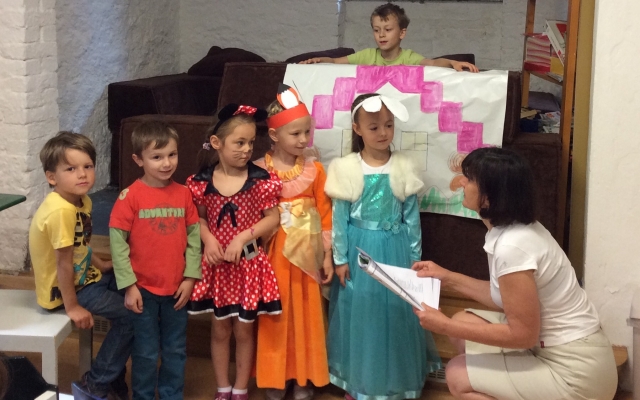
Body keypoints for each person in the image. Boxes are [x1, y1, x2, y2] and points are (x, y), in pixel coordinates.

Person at [412, 147, 618, 400]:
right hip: (551, 347)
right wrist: (447, 277)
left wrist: (443, 325)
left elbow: (522, 335)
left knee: (456, 374)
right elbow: (505, 297)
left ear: (489, 197)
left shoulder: (513, 247)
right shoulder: (513, 230)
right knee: (464, 323)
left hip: (576, 371)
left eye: (470, 179)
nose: (461, 182)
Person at [324, 93, 442, 400]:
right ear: (357, 129)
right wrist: (340, 258)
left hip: (396, 251)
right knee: (361, 313)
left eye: (389, 125)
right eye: (374, 127)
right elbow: (339, 219)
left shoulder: (403, 166)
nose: (383, 133)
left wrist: (415, 258)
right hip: (359, 251)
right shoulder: (346, 168)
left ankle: (395, 381)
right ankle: (359, 381)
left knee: (395, 312)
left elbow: (412, 219)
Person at [186, 104, 283, 400]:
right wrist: (208, 239)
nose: (247, 149)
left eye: (251, 142)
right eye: (239, 143)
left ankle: (240, 388)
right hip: (218, 266)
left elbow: (272, 218)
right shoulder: (202, 182)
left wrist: (243, 237)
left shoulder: (260, 180)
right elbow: (199, 218)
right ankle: (222, 387)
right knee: (219, 330)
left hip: (248, 265)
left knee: (244, 330)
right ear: (217, 143)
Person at [29, 131, 132, 400]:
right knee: (132, 317)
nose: (82, 174)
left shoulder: (81, 200)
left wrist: (101, 264)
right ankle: (95, 383)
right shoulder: (60, 211)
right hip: (67, 291)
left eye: (88, 166)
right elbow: (63, 264)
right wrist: (73, 306)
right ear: (52, 177)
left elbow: (80, 245)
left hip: (85, 277)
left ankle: (112, 374)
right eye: (71, 169)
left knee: (131, 288)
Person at [109, 121, 202, 400]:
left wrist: (190, 277)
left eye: (172, 154)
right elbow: (118, 245)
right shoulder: (129, 197)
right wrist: (129, 286)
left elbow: (194, 238)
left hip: (177, 289)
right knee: (146, 352)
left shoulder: (184, 194)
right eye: (157, 157)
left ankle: (172, 395)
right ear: (139, 159)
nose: (166, 163)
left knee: (175, 350)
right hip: (142, 291)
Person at [254, 84, 334, 400]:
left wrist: (326, 255)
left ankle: (304, 376)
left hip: (307, 259)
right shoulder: (259, 172)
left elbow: (326, 215)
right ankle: (276, 377)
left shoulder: (315, 171)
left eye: (307, 132)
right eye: (295, 133)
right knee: (277, 316)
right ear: (274, 135)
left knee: (306, 316)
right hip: (274, 257)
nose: (303, 140)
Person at [300, 3, 478, 72]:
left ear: (402, 33)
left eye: (388, 29)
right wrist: (318, 60)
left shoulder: (408, 57)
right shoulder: (367, 55)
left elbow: (432, 63)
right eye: (376, 30)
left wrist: (452, 63)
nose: (381, 34)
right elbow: (335, 62)